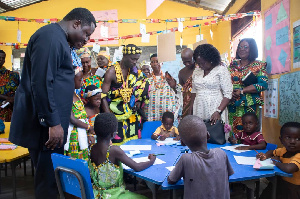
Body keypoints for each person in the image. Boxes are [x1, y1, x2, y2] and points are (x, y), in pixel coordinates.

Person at [9, 8, 96, 199]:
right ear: (76, 24)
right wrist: (53, 122)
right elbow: (41, 81)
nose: (86, 39)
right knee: (48, 182)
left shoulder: (59, 39)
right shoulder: (51, 37)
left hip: (51, 122)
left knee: (50, 178)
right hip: (47, 126)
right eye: (86, 33)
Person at [89, 113, 155, 199]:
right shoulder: (113, 150)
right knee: (147, 196)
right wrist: (152, 160)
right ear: (113, 134)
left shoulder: (92, 148)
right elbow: (137, 167)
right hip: (114, 195)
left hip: (97, 194)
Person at [167, 115, 234, 199]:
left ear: (183, 143)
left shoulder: (186, 159)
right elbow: (227, 175)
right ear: (208, 135)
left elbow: (171, 180)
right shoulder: (221, 154)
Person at [101, 44, 150, 145]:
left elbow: (143, 84)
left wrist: (139, 101)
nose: (135, 62)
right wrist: (110, 118)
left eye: (137, 59)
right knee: (117, 145)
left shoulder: (134, 71)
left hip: (131, 116)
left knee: (133, 144)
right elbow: (103, 96)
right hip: (115, 117)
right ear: (124, 55)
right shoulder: (111, 71)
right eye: (133, 59)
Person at [228, 38, 268, 136]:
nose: (242, 49)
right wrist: (229, 92)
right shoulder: (232, 65)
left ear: (252, 49)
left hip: (249, 105)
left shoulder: (259, 65)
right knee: (233, 131)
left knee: (249, 131)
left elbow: (263, 84)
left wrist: (242, 90)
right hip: (233, 104)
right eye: (240, 47)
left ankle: (248, 149)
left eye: (246, 47)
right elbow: (224, 82)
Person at [190, 44, 233, 128]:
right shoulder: (196, 71)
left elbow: (228, 94)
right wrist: (190, 110)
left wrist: (218, 111)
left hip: (215, 107)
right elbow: (194, 92)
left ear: (211, 59)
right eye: (198, 63)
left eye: (203, 63)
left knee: (215, 135)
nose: (201, 65)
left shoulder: (221, 70)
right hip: (199, 107)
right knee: (199, 133)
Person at [257, 122, 300, 199]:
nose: (292, 142)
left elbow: (289, 168)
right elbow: (271, 152)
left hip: (294, 189)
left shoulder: (299, 155)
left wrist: (276, 162)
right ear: (281, 140)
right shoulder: (284, 150)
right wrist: (265, 156)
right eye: (288, 137)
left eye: (298, 139)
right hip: (281, 183)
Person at [64, 67, 94, 160]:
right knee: (75, 163)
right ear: (71, 80)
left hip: (82, 134)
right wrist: (89, 127)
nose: (82, 82)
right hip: (74, 138)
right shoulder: (66, 96)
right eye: (80, 79)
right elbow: (72, 119)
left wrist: (88, 133)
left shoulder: (75, 94)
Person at [144, 54, 182, 123]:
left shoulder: (168, 77)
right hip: (151, 115)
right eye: (153, 62)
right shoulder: (147, 79)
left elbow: (178, 91)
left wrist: (173, 85)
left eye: (157, 61)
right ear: (150, 64)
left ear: (162, 63)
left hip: (166, 117)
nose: (155, 64)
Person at [0, 50, 20, 121]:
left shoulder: (12, 75)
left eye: (3, 58)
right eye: (0, 57)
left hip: (10, 111)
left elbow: (19, 90)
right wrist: (6, 97)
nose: (1, 60)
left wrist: (13, 98)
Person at [179, 48, 195, 118]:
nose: (187, 64)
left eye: (189, 61)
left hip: (199, 103)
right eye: (184, 62)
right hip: (187, 105)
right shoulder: (182, 72)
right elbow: (182, 90)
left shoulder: (200, 69)